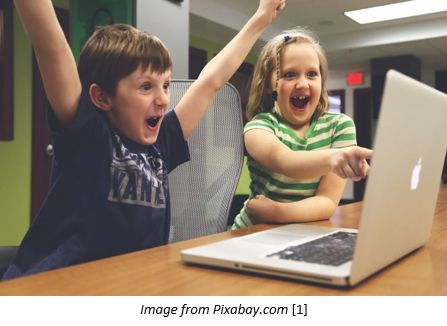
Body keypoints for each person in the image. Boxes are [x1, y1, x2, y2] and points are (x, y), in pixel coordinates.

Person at [3, 0, 286, 280]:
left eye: (165, 85)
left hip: (131, 283)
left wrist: (261, 17)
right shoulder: (87, 132)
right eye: (146, 87)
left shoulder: (162, 141)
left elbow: (210, 82)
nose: (163, 99)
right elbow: (50, 45)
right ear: (102, 98)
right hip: (56, 285)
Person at [231, 27, 372, 230]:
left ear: (322, 81)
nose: (302, 84)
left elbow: (327, 202)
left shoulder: (340, 126)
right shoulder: (258, 127)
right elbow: (286, 161)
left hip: (301, 232)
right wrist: (335, 158)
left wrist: (276, 212)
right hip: (252, 232)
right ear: (271, 83)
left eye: (312, 74)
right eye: (290, 75)